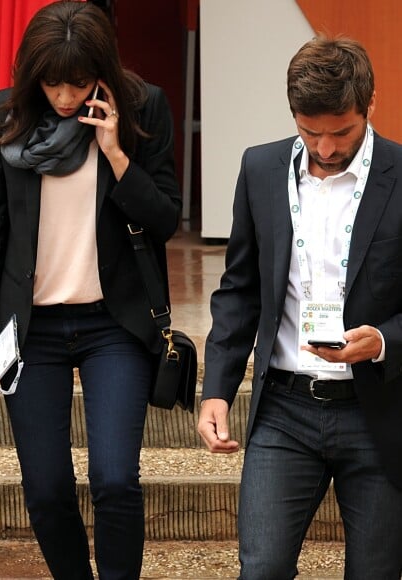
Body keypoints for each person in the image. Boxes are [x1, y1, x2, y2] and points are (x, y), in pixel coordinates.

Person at [0, 2, 181, 578]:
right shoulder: (3, 116)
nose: (64, 97)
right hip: (31, 330)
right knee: (45, 488)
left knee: (115, 479)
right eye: (52, 82)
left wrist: (115, 152)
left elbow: (165, 220)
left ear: (102, 72)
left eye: (78, 82)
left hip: (114, 324)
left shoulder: (142, 109)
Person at [198, 36, 402, 579]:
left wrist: (382, 341)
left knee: (377, 572)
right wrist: (215, 389)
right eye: (311, 132)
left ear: (370, 105)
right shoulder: (261, 168)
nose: (327, 148)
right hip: (284, 411)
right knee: (260, 569)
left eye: (342, 132)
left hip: (378, 410)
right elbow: (239, 289)